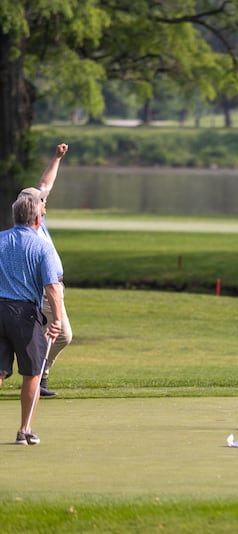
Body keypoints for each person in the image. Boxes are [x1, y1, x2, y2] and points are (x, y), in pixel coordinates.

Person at [0, 195, 63, 445]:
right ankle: (24, 429)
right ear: (38, 218)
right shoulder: (41, 245)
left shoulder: (1, 239)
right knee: (33, 372)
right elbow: (52, 287)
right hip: (24, 314)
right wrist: (57, 319)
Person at [18, 143, 72, 397]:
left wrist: (57, 158)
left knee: (55, 335)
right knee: (62, 334)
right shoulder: (31, 233)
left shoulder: (38, 220)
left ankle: (39, 376)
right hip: (44, 289)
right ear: (33, 207)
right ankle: (38, 376)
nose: (45, 202)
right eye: (42, 202)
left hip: (54, 287)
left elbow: (45, 183)